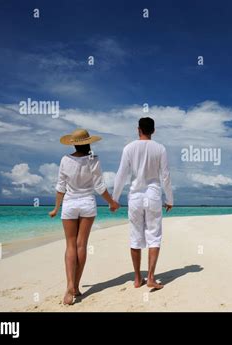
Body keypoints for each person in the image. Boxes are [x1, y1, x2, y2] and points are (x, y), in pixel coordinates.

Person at [49, 128, 120, 305]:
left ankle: (69, 287)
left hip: (70, 205)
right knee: (82, 245)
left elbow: (61, 187)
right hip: (87, 204)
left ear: (73, 143)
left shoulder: (65, 160)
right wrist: (111, 202)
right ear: (88, 142)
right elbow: (99, 186)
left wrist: (56, 208)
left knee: (70, 245)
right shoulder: (93, 159)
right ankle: (76, 286)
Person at [112, 117, 173, 290]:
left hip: (135, 197)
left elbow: (121, 175)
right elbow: (166, 175)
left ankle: (138, 279)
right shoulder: (160, 148)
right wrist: (169, 199)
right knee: (154, 236)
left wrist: (114, 199)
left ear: (138, 129)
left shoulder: (129, 148)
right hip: (153, 195)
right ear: (153, 131)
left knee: (135, 237)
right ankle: (151, 277)